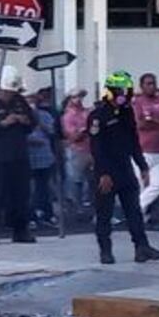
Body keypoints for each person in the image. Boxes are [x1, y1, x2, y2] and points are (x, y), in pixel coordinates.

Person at [89, 72, 159, 264]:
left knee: (134, 211)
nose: (124, 95)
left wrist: (142, 166)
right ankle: (105, 251)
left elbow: (133, 141)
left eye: (127, 91)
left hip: (125, 168)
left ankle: (142, 248)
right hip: (106, 172)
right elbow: (97, 148)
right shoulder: (98, 115)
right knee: (104, 213)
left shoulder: (127, 112)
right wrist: (104, 173)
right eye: (121, 91)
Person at [0, 67, 36, 245]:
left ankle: (20, 229)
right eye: (7, 91)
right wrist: (3, 123)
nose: (9, 95)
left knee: (21, 194)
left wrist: (25, 121)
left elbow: (32, 122)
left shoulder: (20, 101)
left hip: (19, 154)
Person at [132, 73, 159, 222]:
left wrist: (154, 121)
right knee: (140, 185)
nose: (152, 86)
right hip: (141, 150)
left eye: (153, 83)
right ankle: (139, 217)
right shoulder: (137, 102)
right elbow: (140, 124)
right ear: (142, 86)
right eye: (148, 84)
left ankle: (135, 210)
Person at [60, 88, 93, 219]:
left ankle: (91, 207)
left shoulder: (86, 113)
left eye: (80, 97)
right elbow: (72, 137)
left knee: (93, 181)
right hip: (77, 150)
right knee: (76, 181)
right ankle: (76, 208)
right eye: (75, 97)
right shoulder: (68, 116)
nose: (78, 100)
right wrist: (84, 130)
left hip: (91, 149)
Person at [26, 94, 58, 229]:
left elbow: (52, 132)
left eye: (33, 102)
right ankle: (31, 216)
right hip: (28, 157)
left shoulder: (45, 115)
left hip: (44, 157)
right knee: (30, 189)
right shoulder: (23, 117)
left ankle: (47, 214)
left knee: (45, 187)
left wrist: (39, 122)